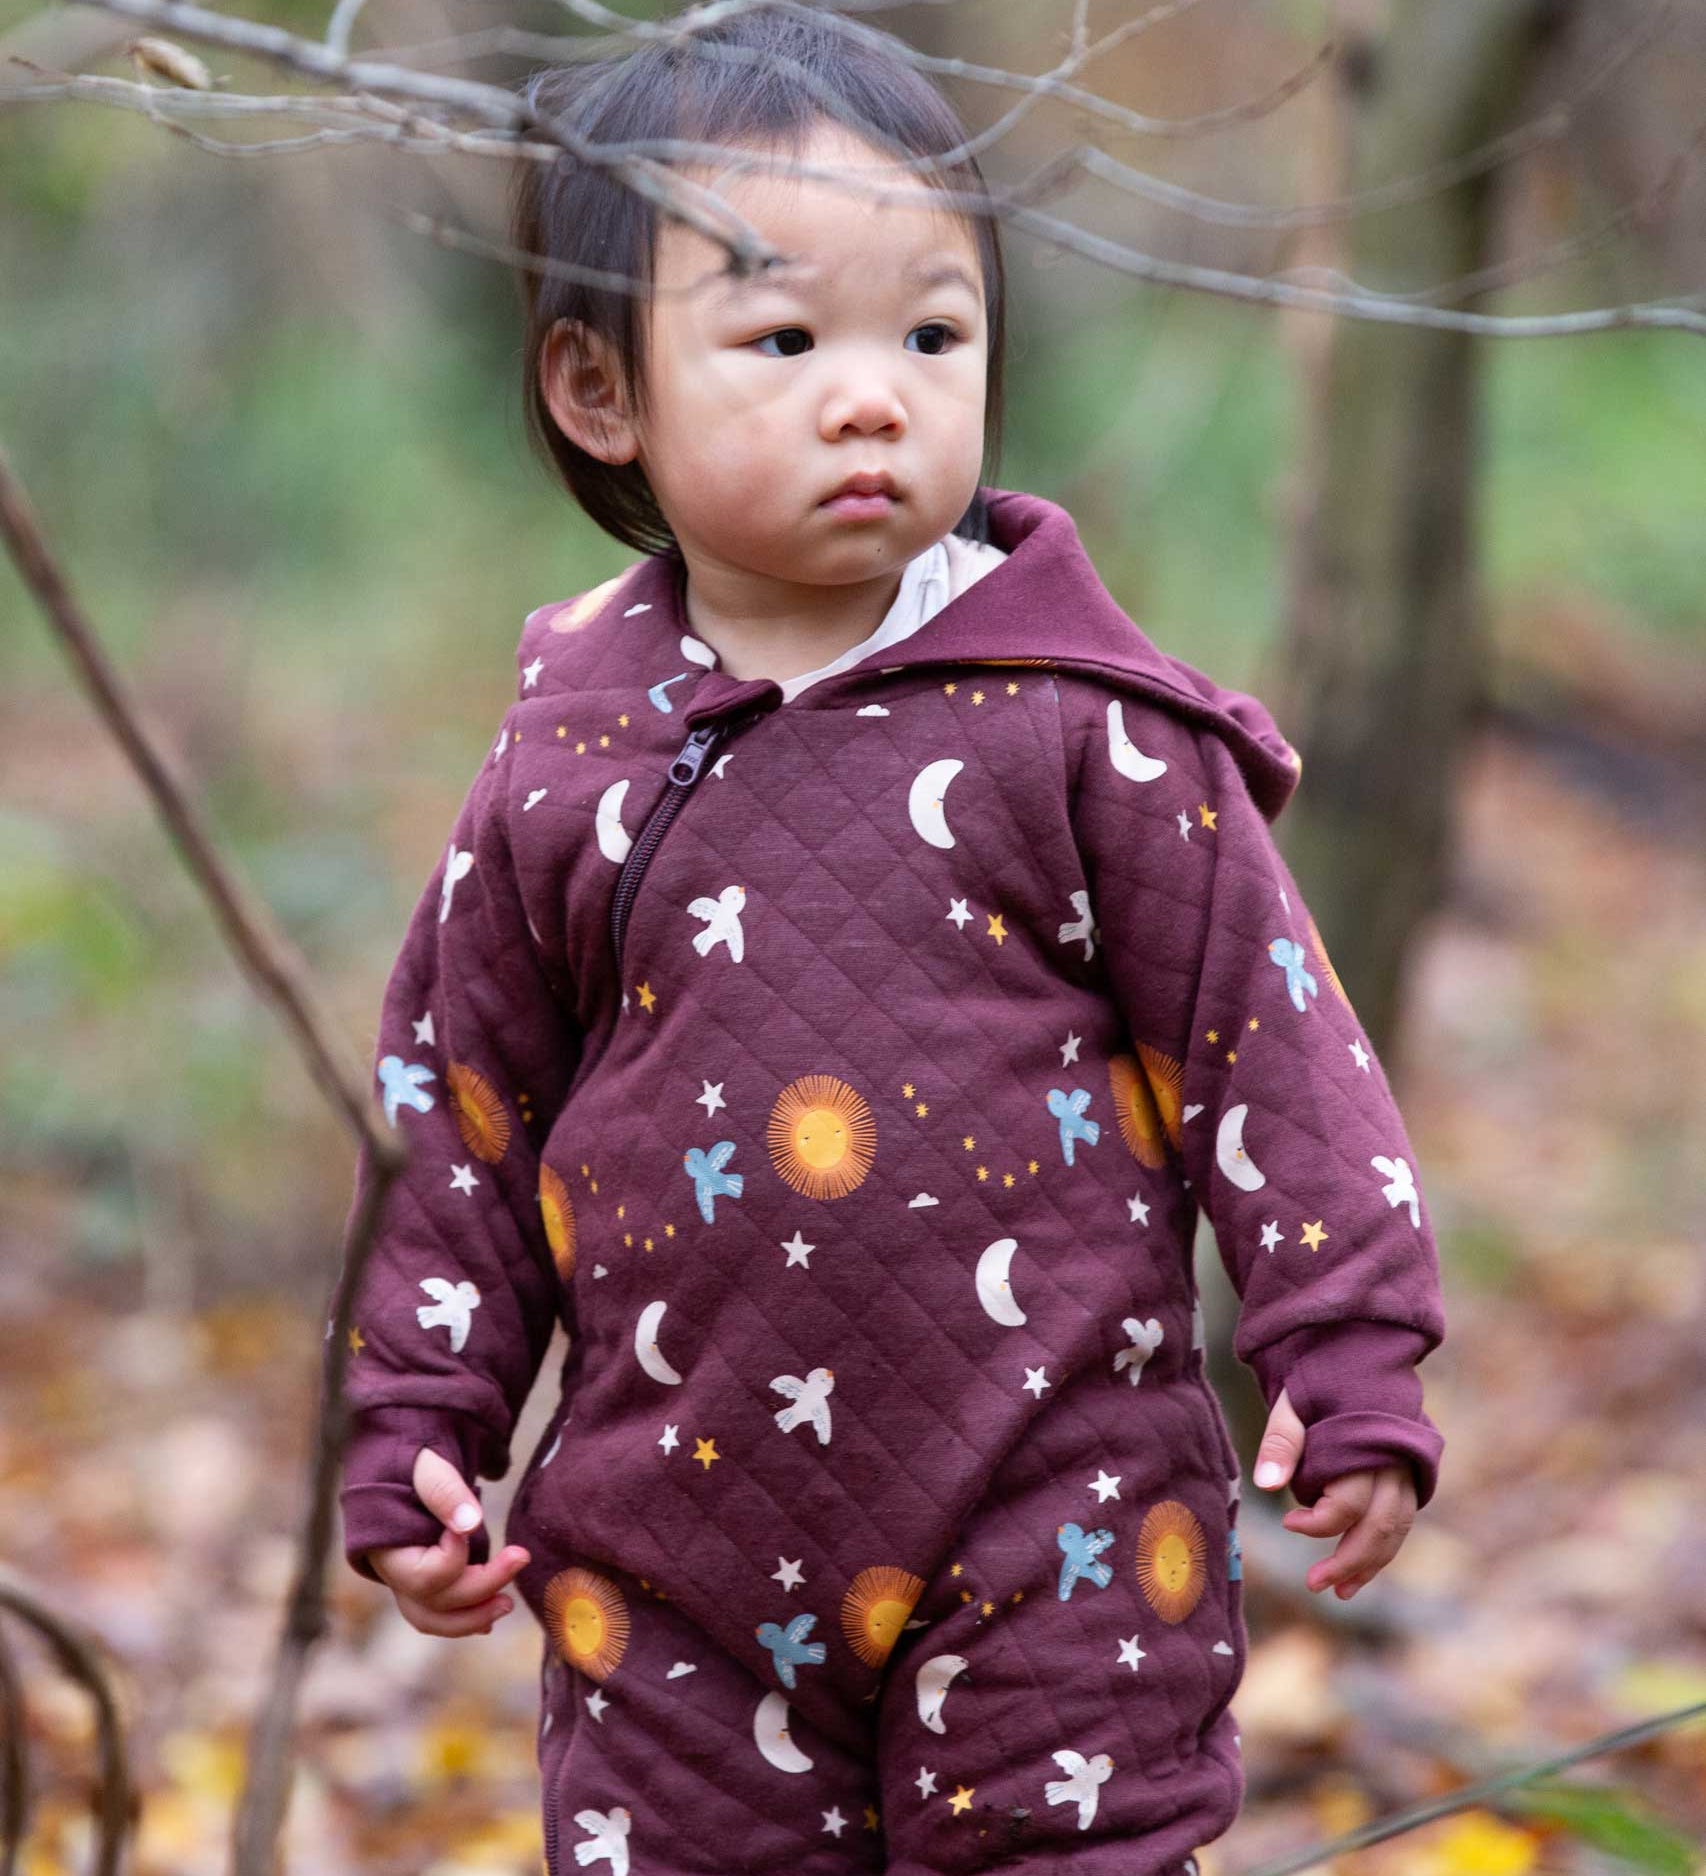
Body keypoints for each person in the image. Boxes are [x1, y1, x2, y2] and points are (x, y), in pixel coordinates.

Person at [327, 8, 1448, 1874]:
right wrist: (417, 1423)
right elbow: (462, 1122)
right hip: (668, 1554)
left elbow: (1269, 1040)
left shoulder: (1080, 725)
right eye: (783, 342)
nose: (874, 396)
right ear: (601, 394)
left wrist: (1352, 1355)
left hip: (1058, 1515)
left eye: (931, 334)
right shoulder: (570, 762)